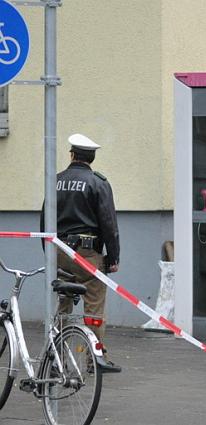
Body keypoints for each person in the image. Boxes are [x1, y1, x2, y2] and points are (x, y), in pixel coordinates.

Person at [43, 133, 122, 373]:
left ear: (72, 155)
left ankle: (56, 360)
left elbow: (43, 218)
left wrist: (48, 254)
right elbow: (109, 223)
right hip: (88, 255)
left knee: (62, 307)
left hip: (60, 251)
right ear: (92, 158)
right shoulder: (98, 183)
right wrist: (113, 257)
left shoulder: (55, 181)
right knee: (94, 307)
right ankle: (95, 360)